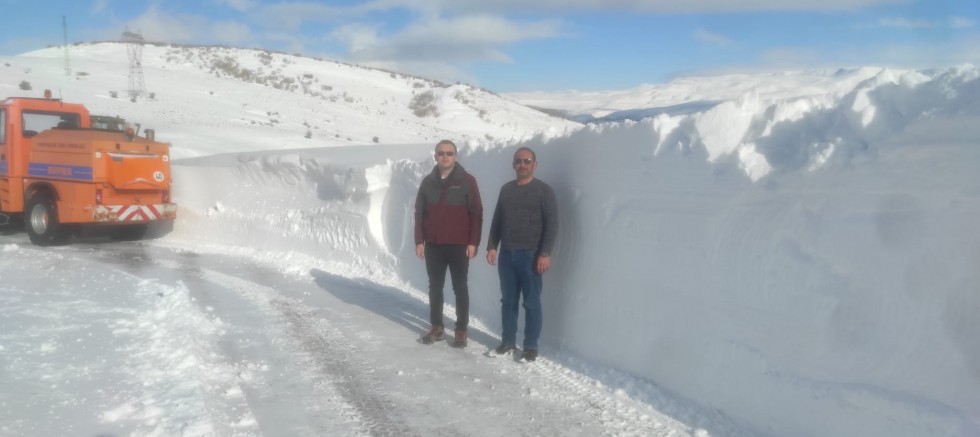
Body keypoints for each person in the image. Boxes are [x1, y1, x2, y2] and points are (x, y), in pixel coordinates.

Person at [486, 147, 558, 362]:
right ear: (513, 164)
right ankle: (507, 341)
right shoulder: (506, 189)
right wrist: (492, 246)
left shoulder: (544, 191)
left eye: (527, 161)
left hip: (531, 256)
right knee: (508, 301)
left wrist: (545, 253)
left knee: (532, 302)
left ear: (535, 164)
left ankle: (530, 346)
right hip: (507, 255)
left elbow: (552, 225)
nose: (522, 164)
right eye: (518, 161)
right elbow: (497, 220)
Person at [414, 139, 483, 348]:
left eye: (449, 153)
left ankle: (461, 329)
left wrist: (473, 242)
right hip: (434, 244)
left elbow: (476, 213)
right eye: (441, 153)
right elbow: (419, 213)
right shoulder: (428, 182)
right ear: (435, 156)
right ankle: (437, 327)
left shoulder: (467, 181)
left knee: (460, 287)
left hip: (459, 245)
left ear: (455, 156)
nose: (445, 157)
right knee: (435, 286)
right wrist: (419, 240)